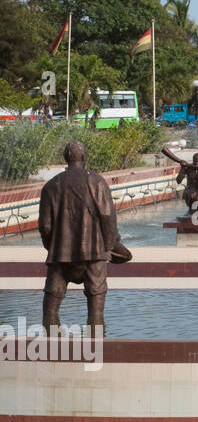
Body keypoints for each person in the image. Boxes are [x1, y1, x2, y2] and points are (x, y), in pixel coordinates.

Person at [38, 140, 130, 331]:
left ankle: (50, 348)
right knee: (96, 305)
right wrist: (110, 245)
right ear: (84, 157)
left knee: (51, 303)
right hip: (94, 252)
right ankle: (95, 347)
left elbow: (45, 226)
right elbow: (107, 218)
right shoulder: (97, 181)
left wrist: (54, 247)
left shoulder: (51, 186)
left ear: (65, 158)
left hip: (60, 254)